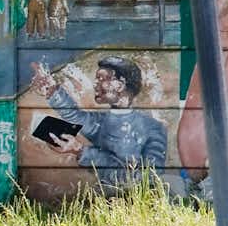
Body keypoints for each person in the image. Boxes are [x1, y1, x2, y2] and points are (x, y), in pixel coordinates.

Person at [31, 56, 171, 191]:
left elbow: (146, 179)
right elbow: (75, 116)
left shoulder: (153, 129)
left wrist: (80, 150)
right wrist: (52, 90)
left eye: (102, 78)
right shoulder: (100, 121)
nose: (95, 83)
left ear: (120, 84)